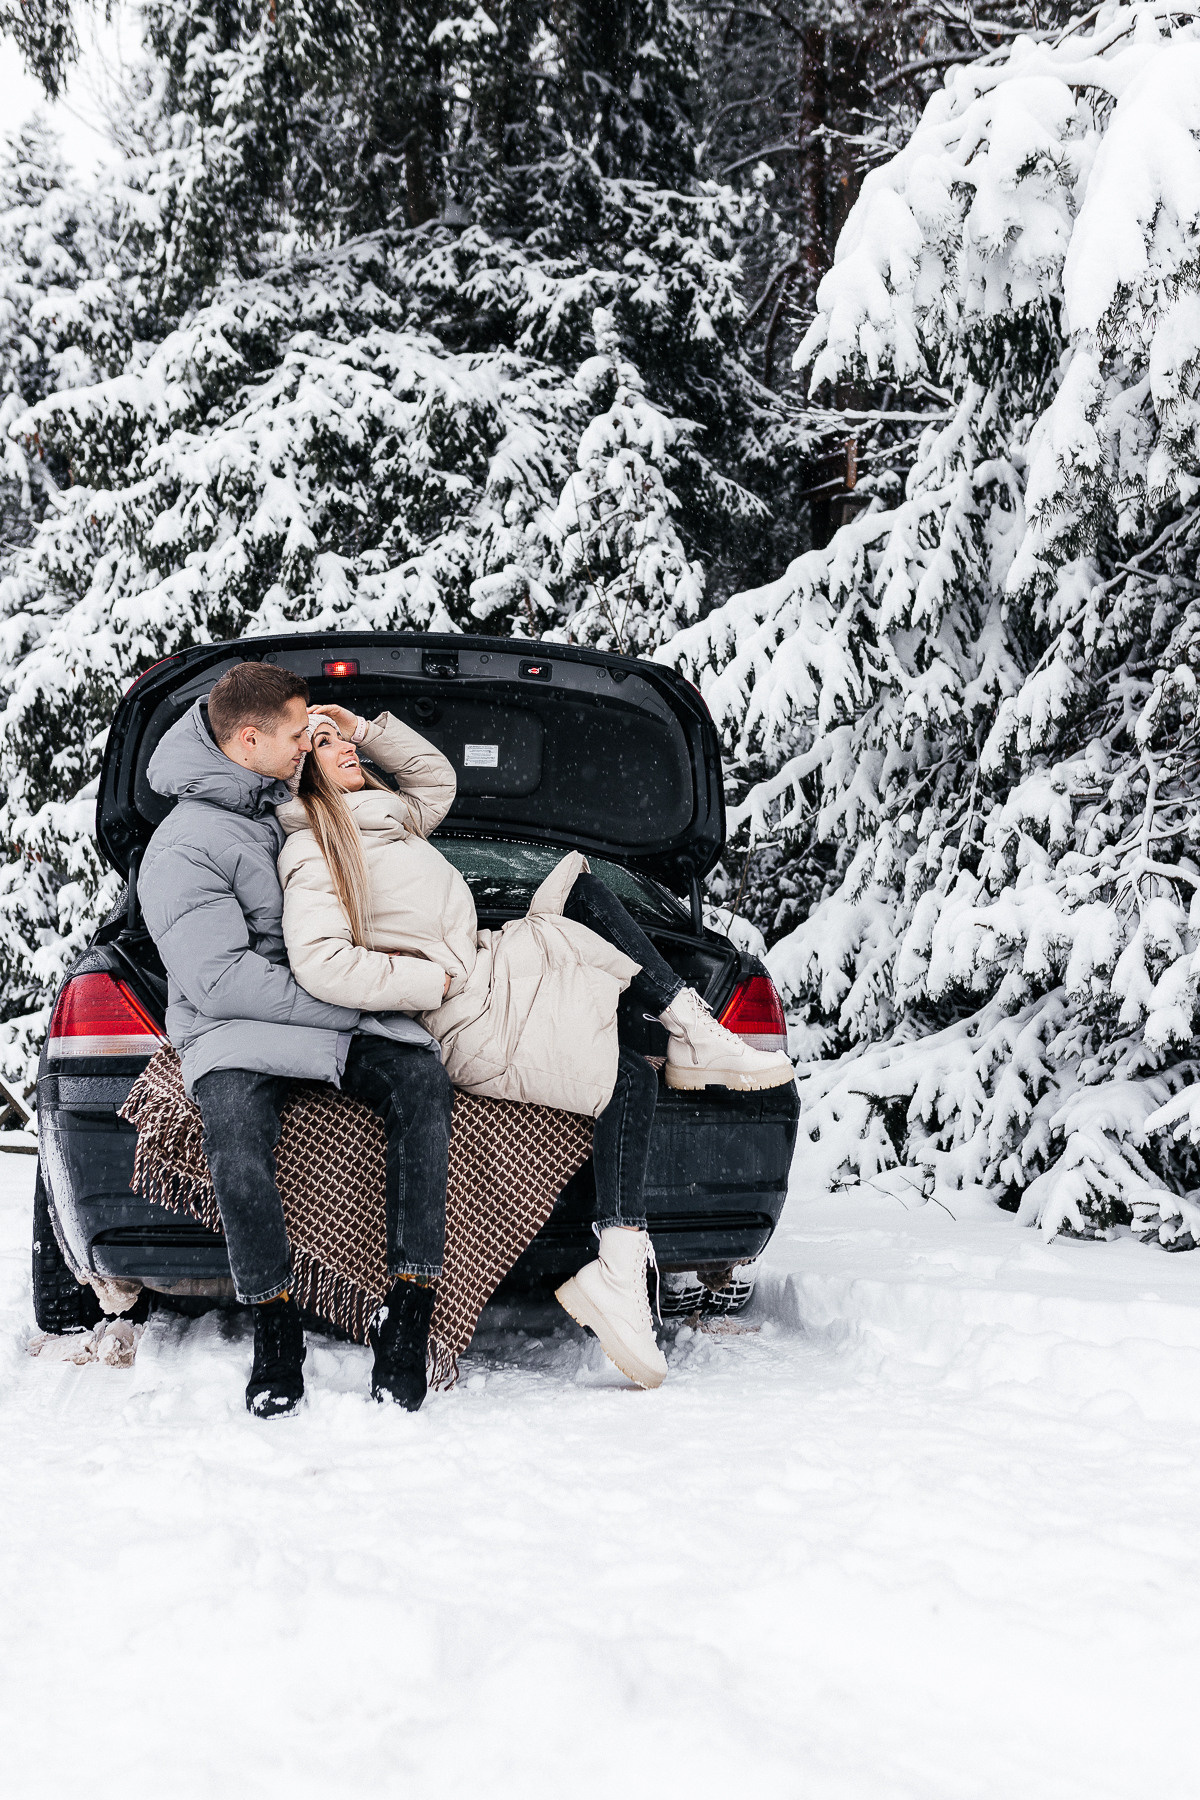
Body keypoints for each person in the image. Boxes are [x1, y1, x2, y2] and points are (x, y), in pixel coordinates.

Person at [276, 705, 794, 1390]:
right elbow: (321, 963)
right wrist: (429, 981)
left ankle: (687, 1051)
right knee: (623, 1064)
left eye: (342, 737)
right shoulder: (313, 847)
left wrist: (369, 729)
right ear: (299, 770)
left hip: (494, 975)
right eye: (323, 742)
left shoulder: (390, 819)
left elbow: (436, 779)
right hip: (466, 1018)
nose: (342, 746)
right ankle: (625, 1250)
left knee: (588, 913)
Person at [138, 664, 454, 1419]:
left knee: (421, 1081)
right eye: (294, 735)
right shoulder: (184, 845)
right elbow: (222, 983)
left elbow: (420, 794)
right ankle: (274, 1324)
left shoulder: (281, 801)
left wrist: (358, 733)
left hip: (320, 1004)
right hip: (233, 1030)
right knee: (235, 1137)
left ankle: (408, 1310)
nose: (305, 747)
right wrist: (348, 1007)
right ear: (248, 740)